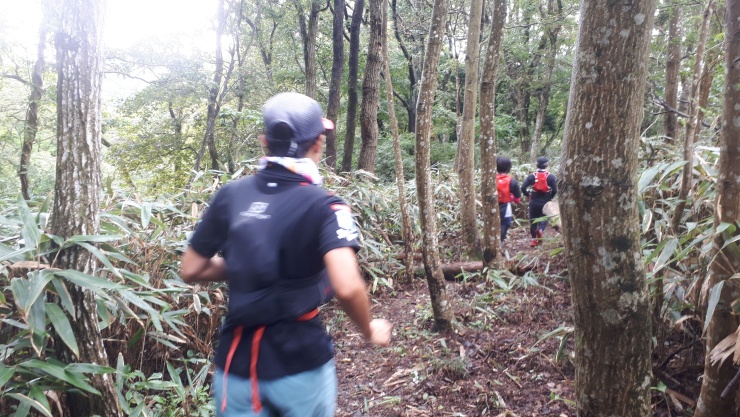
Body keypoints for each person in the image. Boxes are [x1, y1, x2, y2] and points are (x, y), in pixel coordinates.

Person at [180, 92, 392, 417]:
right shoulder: (327, 206)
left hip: (236, 367)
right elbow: (348, 286)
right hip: (301, 364)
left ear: (265, 141)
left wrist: (247, 262)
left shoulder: (231, 194)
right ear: (318, 143)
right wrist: (369, 329)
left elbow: (191, 269)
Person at [521, 156, 557, 247]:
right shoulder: (551, 177)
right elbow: (555, 190)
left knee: (533, 220)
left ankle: (533, 240)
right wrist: (550, 197)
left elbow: (523, 187)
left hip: (534, 200)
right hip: (545, 201)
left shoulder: (531, 176)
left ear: (537, 165)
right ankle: (540, 230)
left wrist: (527, 195)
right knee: (544, 217)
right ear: (547, 165)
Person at [496, 156, 521, 245]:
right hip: (505, 207)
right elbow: (517, 199)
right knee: (504, 224)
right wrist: (510, 197)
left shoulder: (491, 179)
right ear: (509, 167)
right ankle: (500, 243)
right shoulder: (512, 181)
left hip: (491, 207)